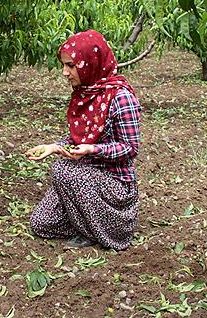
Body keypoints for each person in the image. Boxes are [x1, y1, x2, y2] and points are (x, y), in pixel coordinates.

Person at [25, 29, 141, 250]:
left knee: (64, 170)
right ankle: (88, 223)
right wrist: (53, 147)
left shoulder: (121, 97)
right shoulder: (85, 92)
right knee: (41, 224)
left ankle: (107, 230)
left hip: (114, 186)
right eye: (64, 65)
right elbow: (79, 137)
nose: (64, 72)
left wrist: (92, 150)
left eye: (71, 65)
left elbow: (130, 147)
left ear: (90, 63)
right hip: (84, 182)